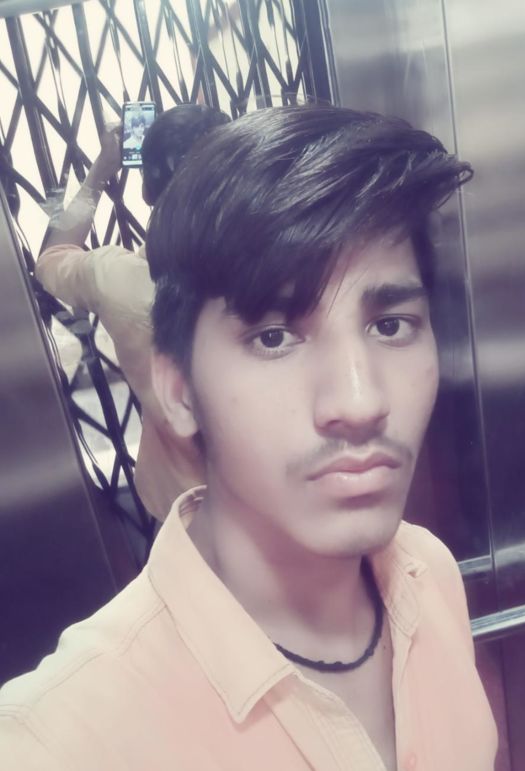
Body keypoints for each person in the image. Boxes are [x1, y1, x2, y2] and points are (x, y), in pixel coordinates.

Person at [0, 105, 498, 770]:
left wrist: (97, 176)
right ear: (178, 389)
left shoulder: (427, 571)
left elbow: (55, 258)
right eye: (274, 337)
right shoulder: (56, 741)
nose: (360, 402)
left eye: (390, 326)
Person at [36, 104, 230, 520]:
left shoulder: (116, 279)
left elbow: (52, 258)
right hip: (279, 497)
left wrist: (100, 171)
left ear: (147, 190)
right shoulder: (276, 260)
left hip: (183, 504)